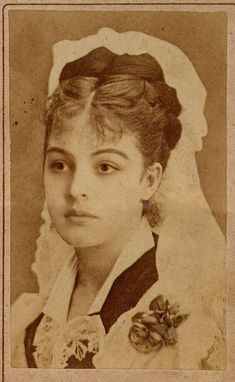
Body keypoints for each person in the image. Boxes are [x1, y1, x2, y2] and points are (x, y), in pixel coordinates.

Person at [11, 28, 226, 369]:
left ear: (148, 179)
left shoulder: (186, 312)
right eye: (60, 164)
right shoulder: (29, 321)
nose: (75, 188)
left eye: (106, 166)